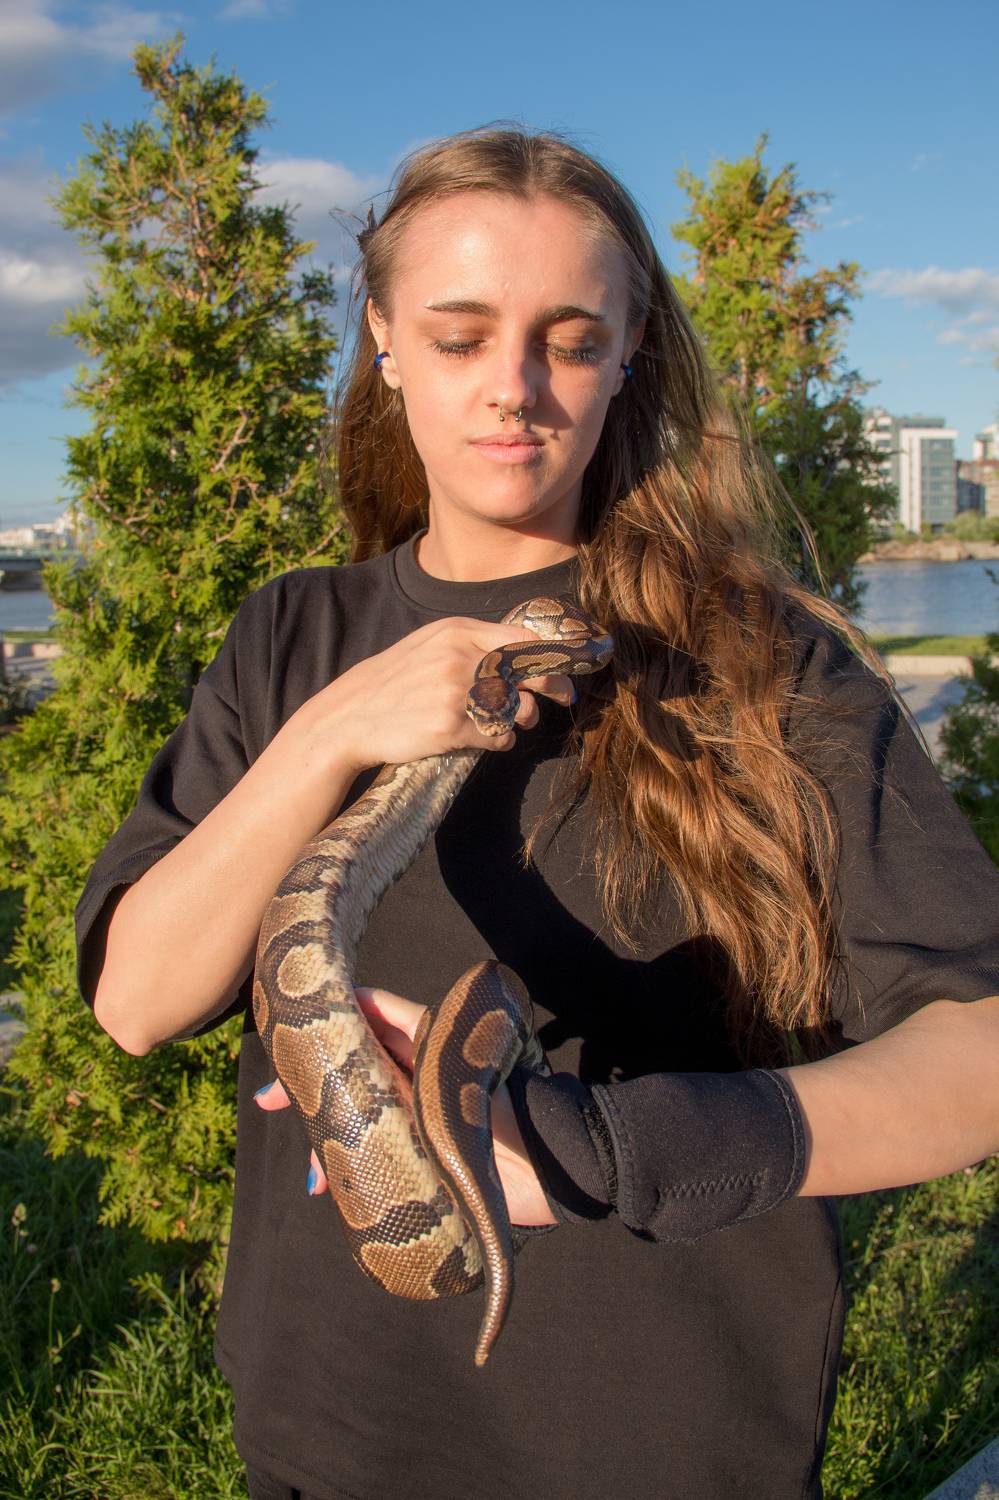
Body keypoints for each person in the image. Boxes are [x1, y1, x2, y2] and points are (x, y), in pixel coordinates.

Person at [76, 125, 999, 1500]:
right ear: (385, 341)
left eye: (570, 342)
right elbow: (139, 1003)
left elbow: (979, 1052)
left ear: (630, 354)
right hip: (332, 1432)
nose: (513, 390)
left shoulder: (764, 661)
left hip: (672, 1445)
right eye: (459, 337)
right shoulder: (292, 637)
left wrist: (597, 1146)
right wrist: (337, 727)